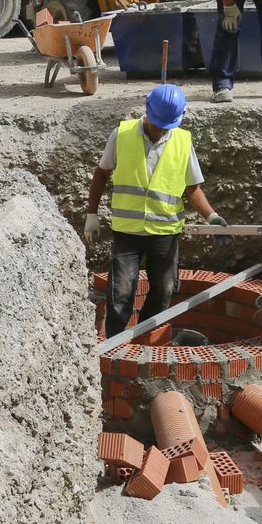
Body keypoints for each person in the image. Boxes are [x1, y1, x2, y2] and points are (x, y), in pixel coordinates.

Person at [84, 84, 225, 338]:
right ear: (147, 112)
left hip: (165, 233)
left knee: (164, 290)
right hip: (128, 232)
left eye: (166, 125)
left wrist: (212, 216)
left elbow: (192, 188)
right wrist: (91, 214)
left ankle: (142, 338)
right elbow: (101, 173)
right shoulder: (122, 134)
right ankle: (116, 345)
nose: (160, 130)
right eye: (158, 123)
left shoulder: (182, 141)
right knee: (121, 293)